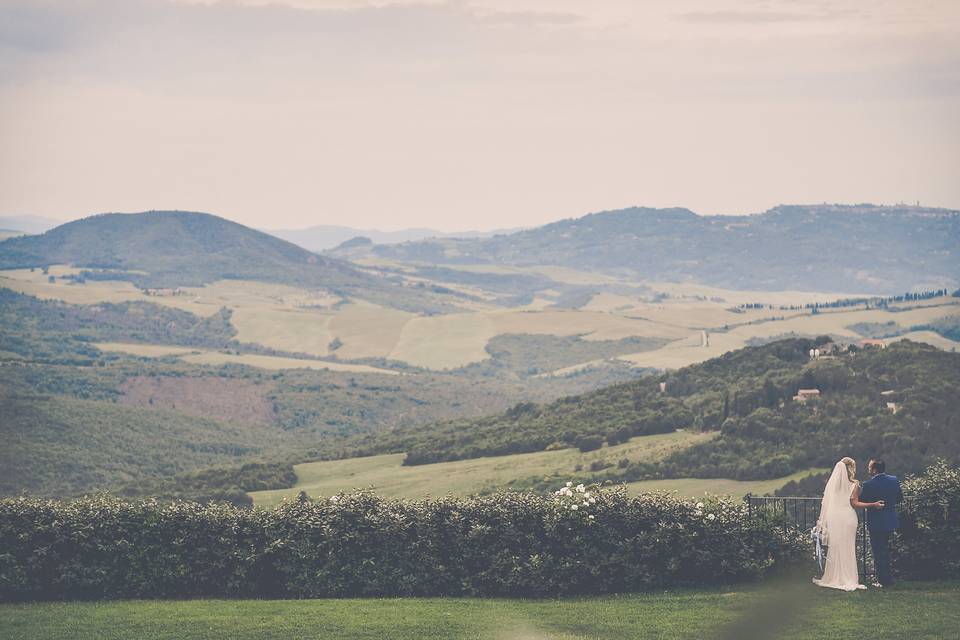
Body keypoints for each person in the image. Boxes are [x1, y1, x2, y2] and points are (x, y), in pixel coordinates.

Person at [812, 457, 884, 591]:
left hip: (834, 518)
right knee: (848, 547)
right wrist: (872, 504)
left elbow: (828, 503)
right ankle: (848, 577)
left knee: (836, 546)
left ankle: (834, 576)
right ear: (850, 468)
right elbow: (854, 503)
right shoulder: (854, 484)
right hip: (848, 518)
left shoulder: (833, 485)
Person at [859, 459, 903, 587]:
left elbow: (861, 501)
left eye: (869, 467)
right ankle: (887, 579)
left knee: (879, 551)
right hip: (890, 520)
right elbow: (900, 498)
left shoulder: (868, 485)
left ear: (874, 469)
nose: (868, 469)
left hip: (876, 522)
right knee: (885, 550)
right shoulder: (894, 480)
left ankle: (884, 581)